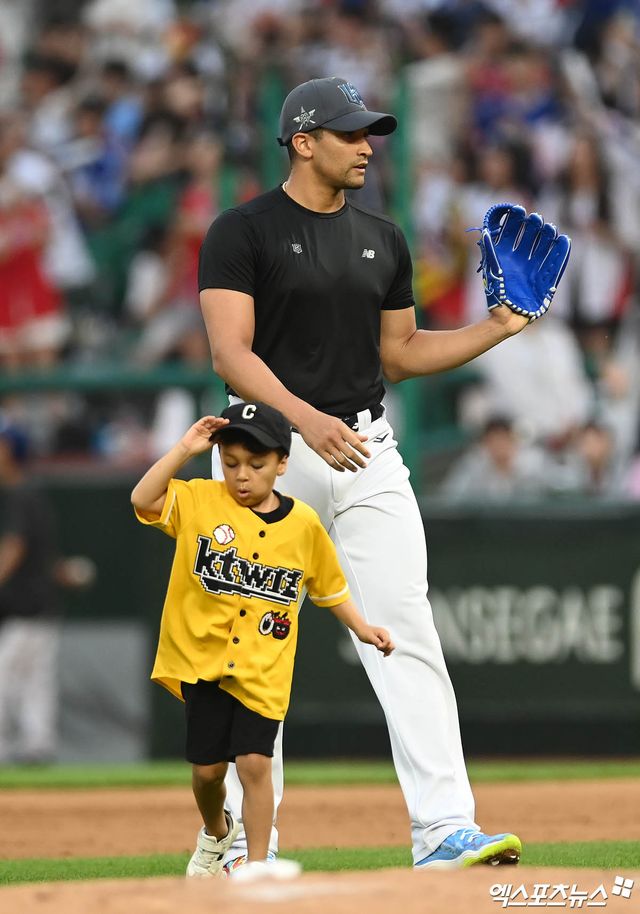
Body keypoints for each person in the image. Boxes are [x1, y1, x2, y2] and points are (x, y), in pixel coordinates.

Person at [198, 76, 529, 871]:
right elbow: (230, 354)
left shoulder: (382, 233)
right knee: (252, 647)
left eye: (371, 132)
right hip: (266, 459)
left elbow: (401, 355)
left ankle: (445, 828)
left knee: (405, 629)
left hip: (367, 449)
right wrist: (305, 418)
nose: (366, 145)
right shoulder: (240, 230)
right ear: (302, 141)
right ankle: (243, 842)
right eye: (349, 133)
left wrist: (498, 324)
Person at [131, 401, 393, 880]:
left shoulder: (304, 525)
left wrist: (362, 627)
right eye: (231, 463)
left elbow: (328, 586)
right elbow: (143, 499)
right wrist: (184, 450)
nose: (242, 475)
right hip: (203, 661)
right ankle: (216, 831)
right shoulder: (200, 500)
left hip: (263, 667)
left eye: (256, 464)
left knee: (255, 764)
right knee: (208, 774)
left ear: (282, 463)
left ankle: (256, 865)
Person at [0, 421, 94, 764]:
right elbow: (44, 556)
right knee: (33, 680)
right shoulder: (29, 494)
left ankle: (24, 746)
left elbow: (15, 548)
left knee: (10, 676)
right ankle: (37, 745)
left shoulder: (22, 493)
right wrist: (62, 572)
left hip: (28, 606)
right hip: (37, 605)